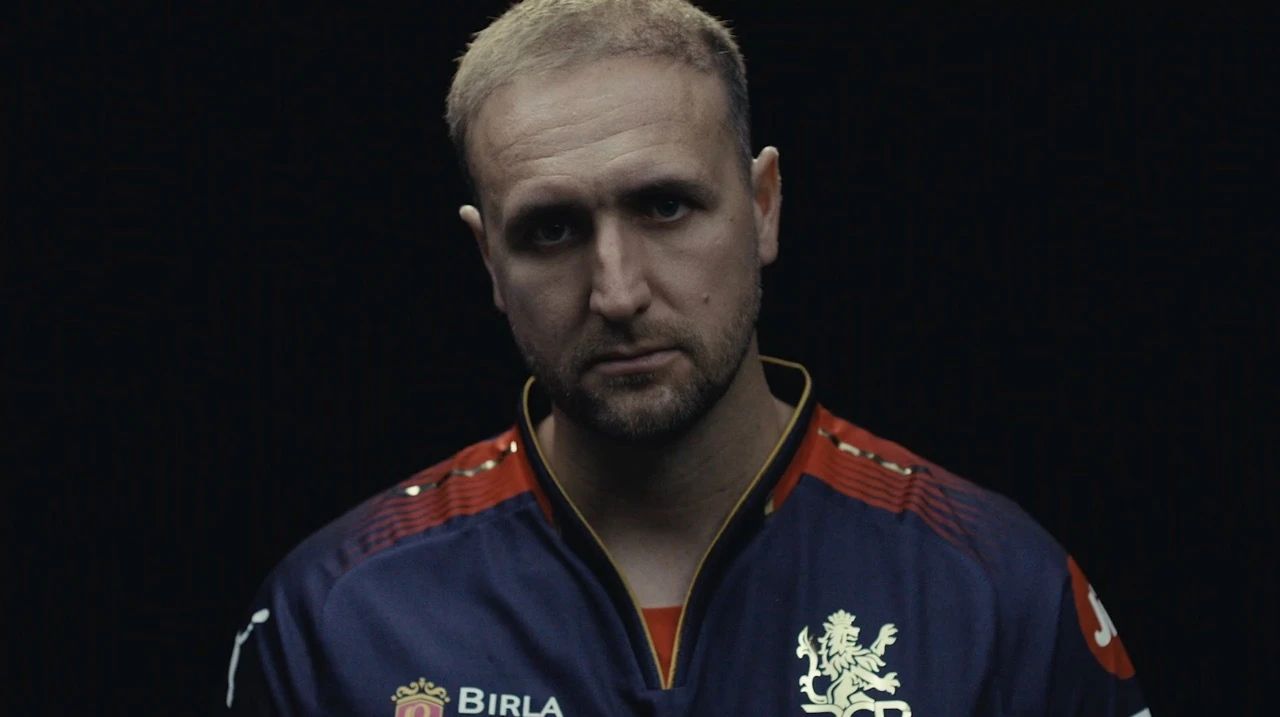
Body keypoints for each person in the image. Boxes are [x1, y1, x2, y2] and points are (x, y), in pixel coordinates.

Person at [224, 1, 1151, 715]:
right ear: (489, 261)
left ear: (764, 206)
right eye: (551, 230)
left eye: (665, 206)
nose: (617, 291)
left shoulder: (993, 589)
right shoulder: (338, 613)